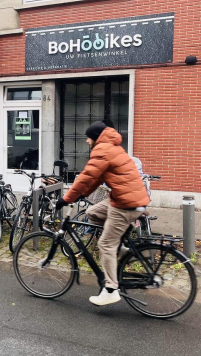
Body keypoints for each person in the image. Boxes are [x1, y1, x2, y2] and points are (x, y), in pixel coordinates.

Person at [56, 121, 150, 306]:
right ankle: (120, 248)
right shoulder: (111, 147)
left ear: (95, 137)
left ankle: (111, 290)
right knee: (92, 212)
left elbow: (86, 176)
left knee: (105, 244)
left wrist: (66, 198)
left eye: (88, 137)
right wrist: (81, 194)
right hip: (126, 197)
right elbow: (96, 179)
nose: (86, 141)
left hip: (125, 203)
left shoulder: (103, 150)